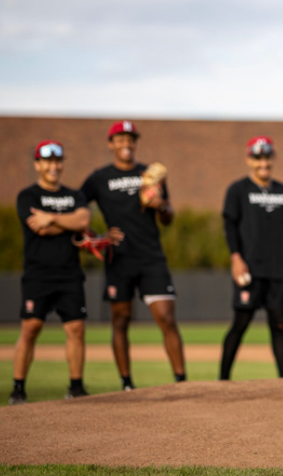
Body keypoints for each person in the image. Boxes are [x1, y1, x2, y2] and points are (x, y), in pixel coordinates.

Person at [80, 121, 186, 391]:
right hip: (119, 258)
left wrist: (160, 204)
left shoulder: (149, 174)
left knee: (166, 318)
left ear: (135, 142)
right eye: (120, 138)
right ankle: (127, 384)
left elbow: (169, 219)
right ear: (111, 143)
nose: (126, 143)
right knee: (120, 321)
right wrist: (95, 235)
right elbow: (77, 206)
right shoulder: (99, 177)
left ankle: (181, 382)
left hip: (151, 257)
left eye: (130, 138)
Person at [219, 136, 283, 380]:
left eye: (267, 157)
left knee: (278, 325)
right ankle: (222, 381)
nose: (263, 162)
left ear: (273, 159)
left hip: (279, 271)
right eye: (258, 157)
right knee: (240, 323)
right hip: (250, 269)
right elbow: (229, 226)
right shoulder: (238, 190)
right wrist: (235, 258)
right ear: (249, 159)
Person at [10, 140, 91, 404]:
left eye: (57, 161)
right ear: (37, 164)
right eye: (47, 161)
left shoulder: (74, 194)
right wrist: (67, 223)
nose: (53, 166)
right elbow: (39, 228)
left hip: (70, 274)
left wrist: (52, 217)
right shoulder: (28, 196)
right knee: (31, 327)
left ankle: (76, 387)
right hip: (38, 273)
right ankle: (18, 388)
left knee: (76, 329)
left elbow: (83, 220)